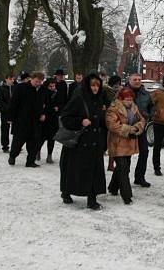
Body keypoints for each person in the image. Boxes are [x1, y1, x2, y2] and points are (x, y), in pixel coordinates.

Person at [60, 73, 108, 210]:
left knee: (94, 171)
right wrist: (80, 121)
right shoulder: (79, 98)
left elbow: (101, 120)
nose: (95, 88)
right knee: (73, 171)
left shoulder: (100, 100)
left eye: (98, 85)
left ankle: (92, 199)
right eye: (93, 85)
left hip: (95, 142)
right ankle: (66, 192)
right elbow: (65, 118)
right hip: (79, 143)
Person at [105, 87, 146, 205]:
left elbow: (142, 119)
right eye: (127, 99)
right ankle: (126, 195)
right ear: (121, 99)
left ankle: (113, 187)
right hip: (117, 142)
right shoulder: (113, 109)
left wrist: (137, 127)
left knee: (123, 166)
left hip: (129, 143)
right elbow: (112, 125)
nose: (129, 101)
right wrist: (128, 129)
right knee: (123, 168)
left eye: (130, 99)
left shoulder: (134, 107)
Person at [7, 72, 48, 167]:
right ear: (31, 79)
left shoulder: (42, 90)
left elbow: (46, 103)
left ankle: (30, 161)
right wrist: (10, 117)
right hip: (22, 120)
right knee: (18, 141)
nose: (38, 83)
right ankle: (12, 156)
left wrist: (43, 114)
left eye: (40, 82)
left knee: (34, 142)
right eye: (36, 81)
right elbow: (13, 103)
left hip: (36, 120)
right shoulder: (21, 88)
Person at [128, 73, 154, 187]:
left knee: (144, 152)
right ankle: (122, 179)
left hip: (141, 127)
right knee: (126, 155)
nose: (137, 81)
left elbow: (152, 107)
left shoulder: (146, 94)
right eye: (135, 79)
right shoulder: (123, 93)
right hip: (127, 128)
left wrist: (147, 115)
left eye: (139, 79)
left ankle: (139, 177)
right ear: (130, 80)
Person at [41, 78, 60, 163]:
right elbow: (44, 106)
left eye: (54, 86)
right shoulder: (44, 93)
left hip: (54, 119)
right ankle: (37, 151)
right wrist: (52, 107)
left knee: (52, 139)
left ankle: (49, 155)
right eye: (50, 86)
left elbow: (61, 103)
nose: (52, 87)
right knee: (42, 138)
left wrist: (58, 108)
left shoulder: (57, 93)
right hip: (45, 119)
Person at [0, 73, 15, 153]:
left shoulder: (15, 88)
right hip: (5, 112)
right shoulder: (1, 89)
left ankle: (16, 145)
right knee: (5, 129)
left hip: (14, 112)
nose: (12, 80)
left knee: (16, 129)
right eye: (10, 79)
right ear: (6, 79)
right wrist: (6, 108)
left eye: (13, 79)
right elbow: (0, 101)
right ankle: (5, 145)